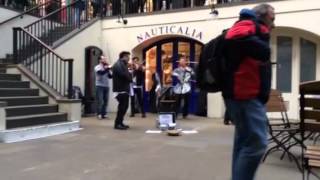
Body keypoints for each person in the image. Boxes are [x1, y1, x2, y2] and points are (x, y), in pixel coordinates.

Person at [222, 4, 275, 180]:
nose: (273, 24)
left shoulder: (250, 27)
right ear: (263, 16)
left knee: (244, 143)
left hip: (243, 96)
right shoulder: (248, 26)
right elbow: (234, 38)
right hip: (245, 96)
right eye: (272, 19)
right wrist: (263, 47)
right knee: (257, 144)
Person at [112, 51, 132, 130]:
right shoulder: (118, 64)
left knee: (125, 106)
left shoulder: (123, 64)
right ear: (123, 56)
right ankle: (117, 124)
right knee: (122, 107)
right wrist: (130, 76)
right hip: (120, 89)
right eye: (128, 57)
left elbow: (126, 74)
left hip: (123, 89)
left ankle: (120, 122)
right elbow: (123, 75)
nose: (129, 59)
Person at [94, 55, 112, 120]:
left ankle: (104, 114)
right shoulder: (97, 67)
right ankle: (99, 114)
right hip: (99, 86)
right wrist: (107, 68)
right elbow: (101, 73)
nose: (105, 60)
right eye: (103, 59)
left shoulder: (106, 67)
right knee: (100, 101)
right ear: (100, 60)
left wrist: (110, 69)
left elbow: (110, 77)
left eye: (105, 59)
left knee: (106, 101)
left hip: (106, 86)